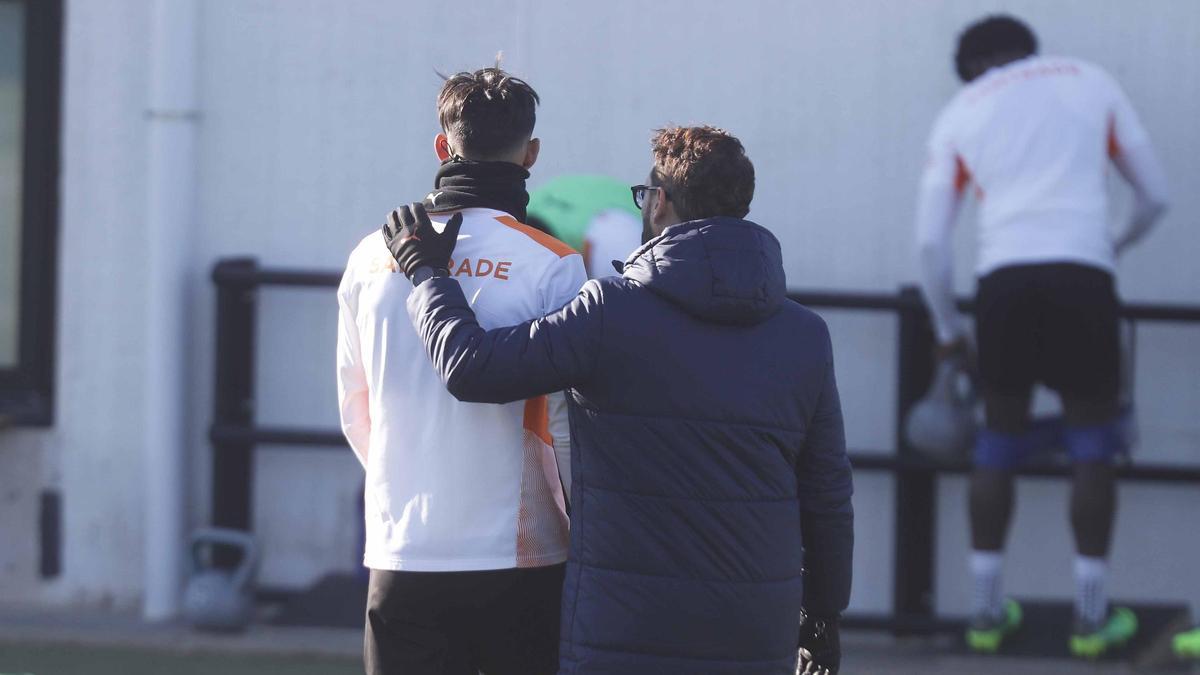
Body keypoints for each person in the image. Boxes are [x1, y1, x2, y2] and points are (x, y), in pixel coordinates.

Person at [385, 126, 854, 675]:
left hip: (623, 627)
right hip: (757, 627)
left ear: (659, 202)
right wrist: (822, 615)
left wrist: (428, 275)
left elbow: (473, 368)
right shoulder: (804, 336)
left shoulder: (610, 312)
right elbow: (826, 493)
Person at [914, 15, 1169, 658]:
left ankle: (984, 613)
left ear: (973, 67)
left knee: (997, 441)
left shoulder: (961, 111)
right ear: (1028, 51)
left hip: (1004, 283)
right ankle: (1090, 619)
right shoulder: (1092, 81)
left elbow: (930, 244)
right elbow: (1155, 197)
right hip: (1083, 275)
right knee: (1093, 443)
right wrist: (1105, 245)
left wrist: (949, 329)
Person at [337, 65, 586, 675]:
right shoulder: (552, 263)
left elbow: (355, 405)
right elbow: (565, 418)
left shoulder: (371, 255)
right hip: (518, 552)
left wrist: (413, 472)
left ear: (443, 147)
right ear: (531, 153)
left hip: (403, 544)